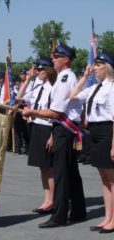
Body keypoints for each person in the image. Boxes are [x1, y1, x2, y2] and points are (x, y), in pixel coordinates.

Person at [22, 43, 86, 228]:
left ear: (65, 60)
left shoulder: (66, 79)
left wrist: (33, 112)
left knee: (61, 174)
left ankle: (59, 216)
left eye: (56, 57)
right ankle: (79, 210)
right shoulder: (63, 78)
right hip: (63, 129)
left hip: (63, 130)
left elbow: (55, 112)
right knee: (71, 172)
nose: (52, 59)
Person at [70, 51, 114, 233]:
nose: (94, 68)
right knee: (104, 179)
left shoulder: (112, 87)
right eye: (94, 65)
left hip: (107, 132)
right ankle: (108, 217)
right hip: (94, 132)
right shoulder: (95, 87)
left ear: (108, 67)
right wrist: (85, 76)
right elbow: (73, 95)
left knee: (112, 179)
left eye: (98, 65)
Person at [22, 57, 56, 214]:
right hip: (36, 127)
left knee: (49, 167)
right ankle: (47, 199)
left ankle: (53, 200)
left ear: (49, 70)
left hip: (48, 129)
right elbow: (19, 98)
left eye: (41, 70)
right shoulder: (37, 86)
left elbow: (56, 114)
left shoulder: (53, 88)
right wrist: (28, 80)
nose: (38, 72)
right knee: (42, 168)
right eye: (37, 70)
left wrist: (52, 135)